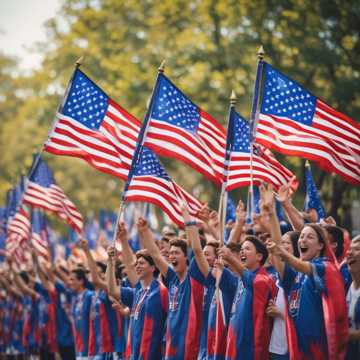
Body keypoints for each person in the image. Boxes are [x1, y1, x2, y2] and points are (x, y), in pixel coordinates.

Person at [262, 183, 348, 359]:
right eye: (301, 236)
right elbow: (280, 254)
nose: (303, 239)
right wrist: (271, 212)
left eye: (310, 237)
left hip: (320, 351)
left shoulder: (326, 268)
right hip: (296, 351)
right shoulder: (295, 276)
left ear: (320, 246)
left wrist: (283, 252)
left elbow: (290, 258)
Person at [139, 216, 206, 359]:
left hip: (189, 347)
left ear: (186, 258)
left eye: (176, 253)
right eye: (170, 253)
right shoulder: (172, 279)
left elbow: (196, 249)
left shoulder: (194, 278)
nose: (172, 256)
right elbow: (156, 256)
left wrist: (188, 219)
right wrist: (145, 231)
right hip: (171, 346)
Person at [107, 222, 168, 360]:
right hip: (133, 355)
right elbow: (112, 290)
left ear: (153, 267)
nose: (137, 266)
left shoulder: (161, 291)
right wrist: (110, 263)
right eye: (137, 264)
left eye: (142, 263)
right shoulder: (137, 292)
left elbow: (129, 264)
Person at [218, 235, 276, 360]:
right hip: (234, 346)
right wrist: (221, 266)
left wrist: (232, 259)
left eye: (247, 249)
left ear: (259, 257)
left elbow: (254, 281)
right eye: (241, 249)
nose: (242, 251)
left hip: (251, 349)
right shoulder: (240, 279)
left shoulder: (264, 279)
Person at [345, 235, 360, 359]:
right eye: (349, 249)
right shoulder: (346, 285)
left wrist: (344, 334)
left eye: (356, 249)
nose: (349, 253)